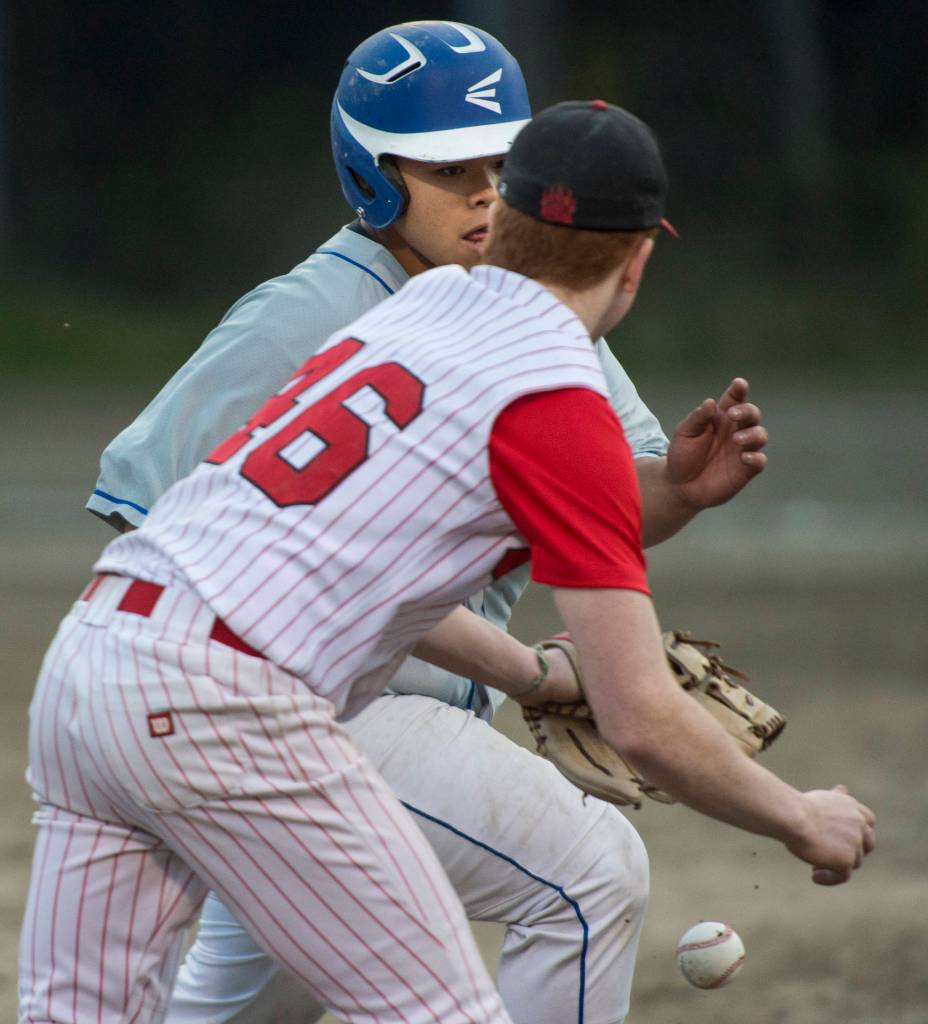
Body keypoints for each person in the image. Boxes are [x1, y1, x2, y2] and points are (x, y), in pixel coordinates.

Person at [20, 95, 876, 1024]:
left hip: (91, 664)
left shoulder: (418, 309)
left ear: (502, 219)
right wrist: (799, 816)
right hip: (230, 705)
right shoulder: (555, 395)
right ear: (637, 262)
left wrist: (663, 492)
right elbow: (638, 718)